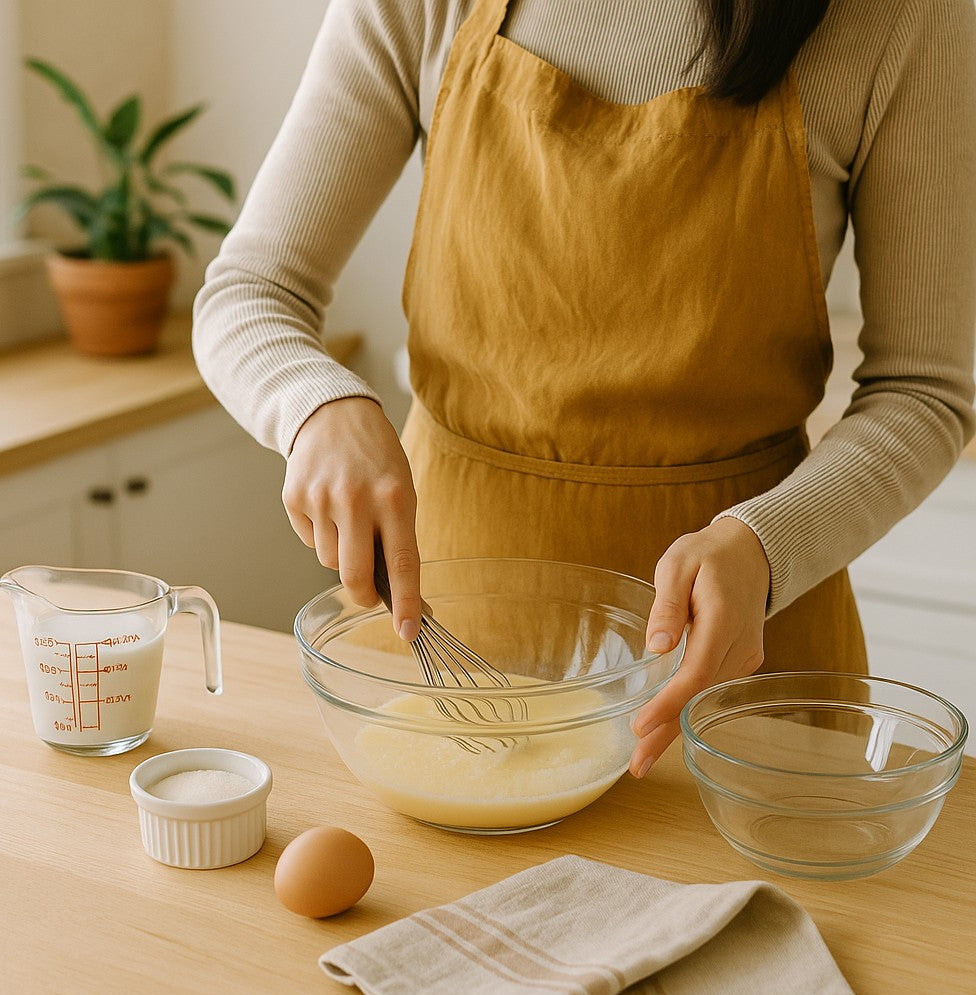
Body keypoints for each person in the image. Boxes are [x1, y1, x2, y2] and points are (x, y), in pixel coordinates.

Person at [193, 0, 976, 778]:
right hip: (447, 634)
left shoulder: (901, 20)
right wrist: (317, 407)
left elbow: (925, 390)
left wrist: (771, 546)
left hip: (733, 667)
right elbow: (250, 291)